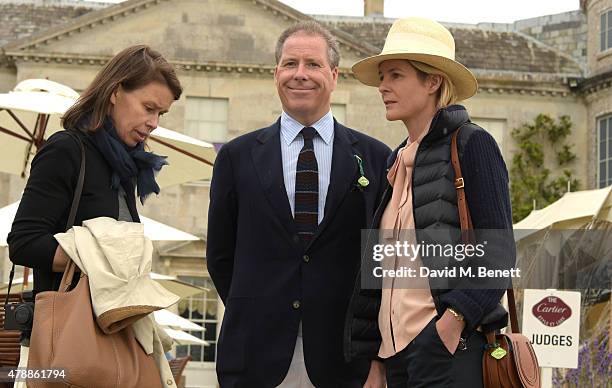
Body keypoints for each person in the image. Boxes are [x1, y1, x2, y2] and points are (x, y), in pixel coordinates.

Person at [207, 21, 391, 387]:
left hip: (345, 361)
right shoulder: (236, 157)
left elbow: (381, 264)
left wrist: (376, 355)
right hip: (255, 356)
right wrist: (259, 308)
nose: (300, 75)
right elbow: (220, 256)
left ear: (334, 75)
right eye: (290, 64)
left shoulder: (376, 158)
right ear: (276, 73)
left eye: (313, 64)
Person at [344, 17, 514, 387]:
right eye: (382, 77)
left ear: (433, 80)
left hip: (449, 352)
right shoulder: (395, 161)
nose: (383, 87)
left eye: (395, 76)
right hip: (396, 360)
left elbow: (498, 256)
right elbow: (380, 269)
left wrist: (450, 326)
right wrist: (376, 360)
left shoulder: (472, 144)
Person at [8, 44, 182, 378]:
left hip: (118, 335)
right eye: (149, 108)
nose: (154, 123)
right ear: (116, 92)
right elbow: (24, 242)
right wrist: (98, 259)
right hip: (72, 339)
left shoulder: (125, 166)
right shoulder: (66, 150)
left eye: (161, 113)